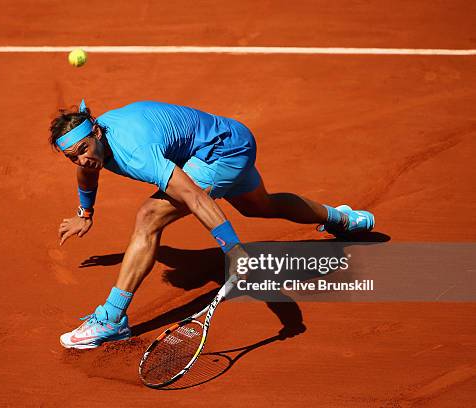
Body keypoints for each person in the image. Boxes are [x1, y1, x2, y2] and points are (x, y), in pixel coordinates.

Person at [49, 100, 374, 349]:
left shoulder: (135, 151)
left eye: (83, 151)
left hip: (221, 153)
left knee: (148, 217)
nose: (81, 160)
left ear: (95, 132)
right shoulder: (95, 142)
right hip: (233, 137)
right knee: (262, 206)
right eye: (72, 157)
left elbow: (195, 197)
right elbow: (88, 170)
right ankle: (344, 219)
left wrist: (234, 250)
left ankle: (111, 319)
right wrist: (85, 213)